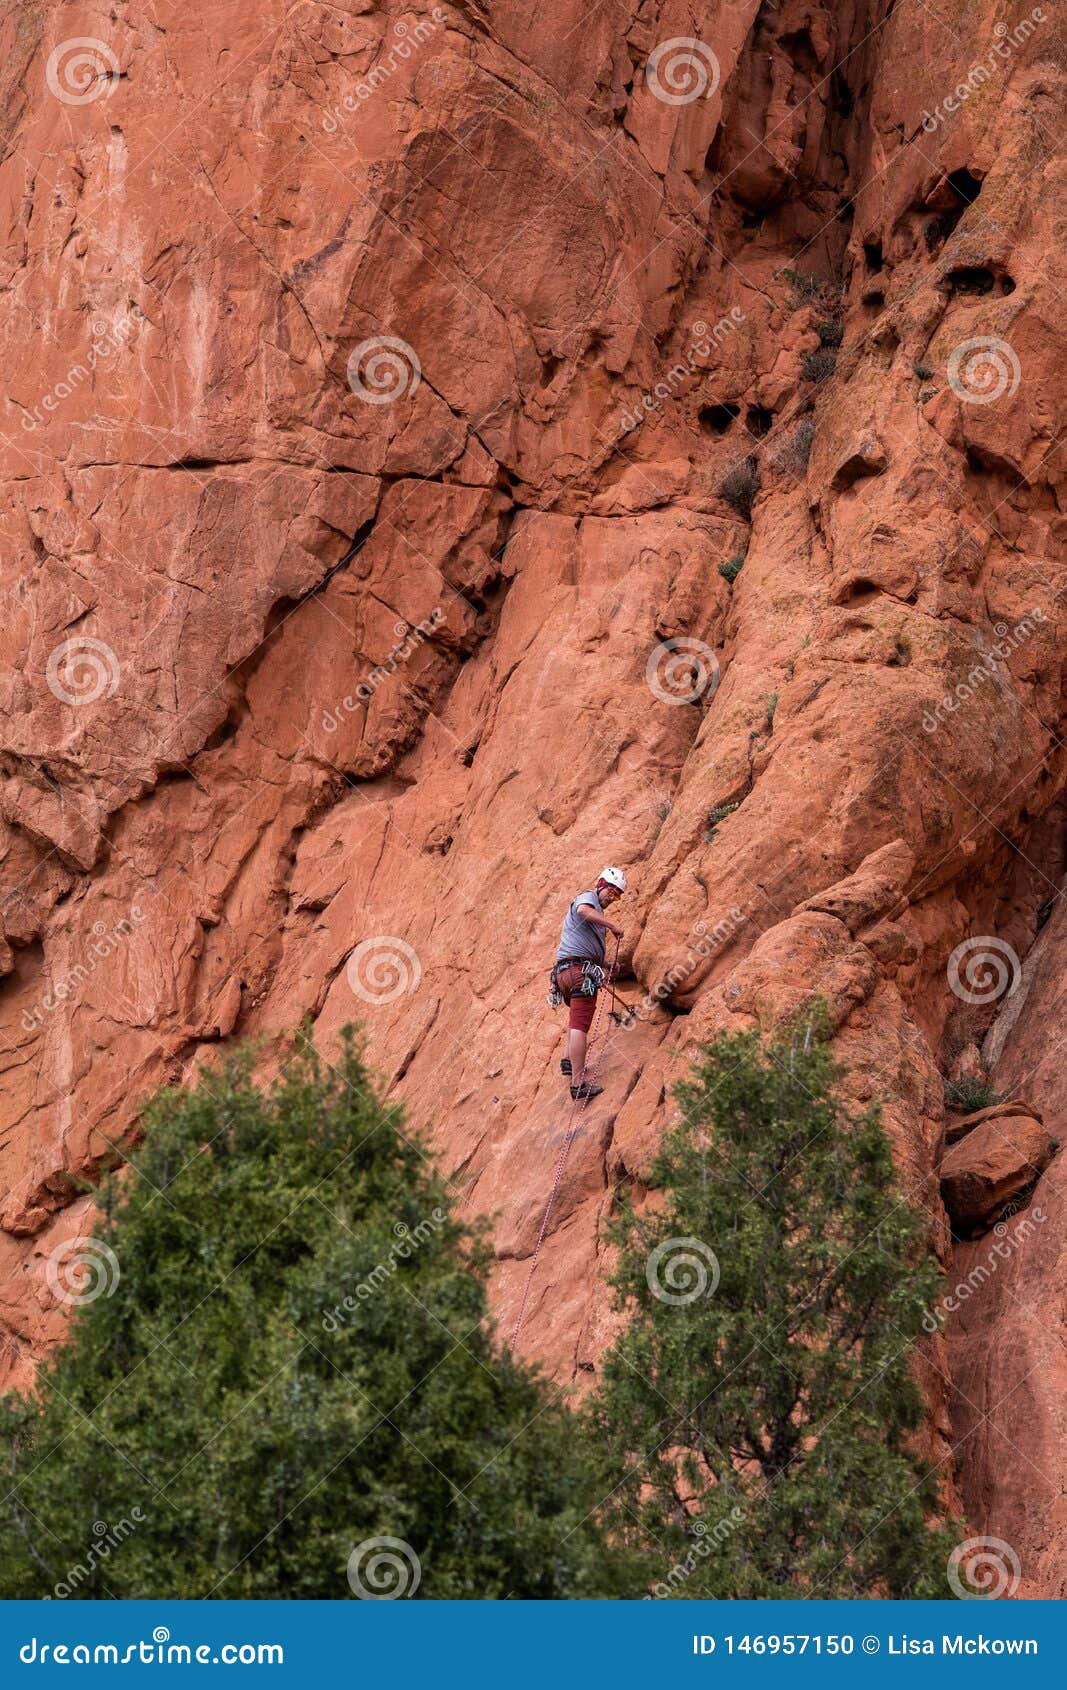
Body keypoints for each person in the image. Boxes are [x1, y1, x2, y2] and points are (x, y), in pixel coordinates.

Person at [552, 867, 626, 1101]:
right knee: (580, 1026)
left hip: (567, 972)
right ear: (601, 883)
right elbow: (582, 910)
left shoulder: (597, 915)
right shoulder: (588, 898)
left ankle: (567, 1061)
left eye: (617, 896)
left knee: (576, 1019)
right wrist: (612, 925)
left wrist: (605, 966)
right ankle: (577, 1084)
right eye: (611, 891)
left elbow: (587, 948)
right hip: (579, 973)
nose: (612, 898)